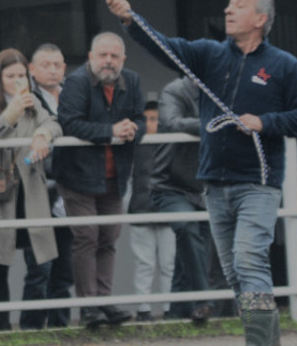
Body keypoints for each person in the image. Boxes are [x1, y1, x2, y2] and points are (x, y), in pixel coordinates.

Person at [108, 0, 297, 345]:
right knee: (236, 272)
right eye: (228, 4)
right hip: (214, 184)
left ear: (260, 18)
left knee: (249, 260)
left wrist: (264, 122)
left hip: (259, 183)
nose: (228, 10)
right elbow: (164, 46)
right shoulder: (208, 54)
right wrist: (131, 20)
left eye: (238, 6)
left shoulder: (283, 65)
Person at [0, 48, 62, 332]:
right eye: (11, 76)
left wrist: (43, 135)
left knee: (3, 266)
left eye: (22, 75)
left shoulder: (33, 103)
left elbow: (53, 123)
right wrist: (11, 113)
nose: (18, 81)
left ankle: (4, 329)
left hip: (25, 192)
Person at [53, 31, 144, 328]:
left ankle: (104, 301)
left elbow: (142, 118)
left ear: (123, 60)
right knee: (87, 236)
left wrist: (133, 129)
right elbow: (70, 123)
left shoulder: (132, 80)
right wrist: (112, 132)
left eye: (114, 56)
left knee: (109, 238)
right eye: (102, 55)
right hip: (77, 175)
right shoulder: (77, 82)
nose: (108, 61)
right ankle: (89, 305)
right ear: (91, 57)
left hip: (115, 176)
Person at [149, 76, 217, 323]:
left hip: (204, 183)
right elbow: (172, 122)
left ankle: (178, 313)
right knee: (187, 229)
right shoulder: (175, 89)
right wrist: (215, 124)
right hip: (169, 184)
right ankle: (204, 301)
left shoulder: (223, 89)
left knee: (192, 249)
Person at [20, 43, 73, 330]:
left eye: (57, 64)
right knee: (39, 268)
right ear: (32, 69)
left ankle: (61, 328)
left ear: (64, 68)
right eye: (45, 64)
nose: (52, 70)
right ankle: (30, 331)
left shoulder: (73, 96)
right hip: (38, 191)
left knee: (65, 270)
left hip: (70, 191)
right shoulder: (26, 99)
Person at [127, 101, 175, 321]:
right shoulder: (133, 145)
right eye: (146, 120)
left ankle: (169, 308)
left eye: (155, 119)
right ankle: (143, 309)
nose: (150, 124)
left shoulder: (173, 142)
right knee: (144, 263)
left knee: (169, 263)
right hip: (141, 210)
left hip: (167, 211)